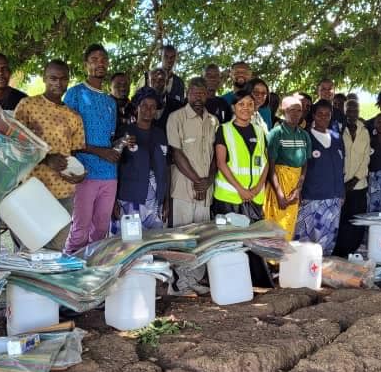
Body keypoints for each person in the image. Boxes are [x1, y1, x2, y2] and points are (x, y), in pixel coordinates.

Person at [13, 60, 86, 251]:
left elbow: (74, 152)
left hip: (64, 191)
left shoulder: (73, 116)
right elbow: (14, 144)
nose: (58, 83)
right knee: (30, 248)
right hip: (34, 188)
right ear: (44, 79)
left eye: (63, 79)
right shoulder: (28, 105)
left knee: (56, 249)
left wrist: (79, 174)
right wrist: (46, 158)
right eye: (53, 78)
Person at [64, 43, 124, 252]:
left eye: (104, 59)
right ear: (85, 65)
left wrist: (120, 145)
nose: (100, 63)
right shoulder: (75, 94)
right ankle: (72, 265)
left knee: (100, 229)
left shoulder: (110, 101)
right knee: (79, 230)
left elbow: (108, 139)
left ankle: (93, 268)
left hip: (109, 174)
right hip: (84, 172)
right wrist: (101, 152)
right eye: (94, 59)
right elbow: (67, 138)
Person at [213, 85, 272, 286]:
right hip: (230, 197)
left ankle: (257, 284)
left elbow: (265, 163)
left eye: (250, 104)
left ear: (254, 108)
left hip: (254, 197)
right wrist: (241, 190)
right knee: (232, 243)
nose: (246, 108)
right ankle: (233, 284)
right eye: (241, 104)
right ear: (233, 107)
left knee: (255, 242)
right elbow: (221, 163)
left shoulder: (260, 131)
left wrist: (257, 188)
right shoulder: (224, 130)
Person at [113, 91, 170, 230]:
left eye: (152, 106)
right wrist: (112, 200)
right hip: (129, 199)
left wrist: (166, 199)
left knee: (154, 240)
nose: (148, 109)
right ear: (137, 107)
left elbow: (165, 168)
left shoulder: (160, 134)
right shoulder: (125, 131)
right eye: (144, 105)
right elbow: (113, 165)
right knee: (129, 240)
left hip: (155, 202)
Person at [294, 100, 345, 254]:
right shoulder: (305, 136)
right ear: (313, 115)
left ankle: (322, 267)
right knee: (305, 240)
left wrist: (342, 192)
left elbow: (341, 167)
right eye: (320, 114)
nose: (323, 117)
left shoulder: (337, 137)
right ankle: (302, 267)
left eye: (327, 114)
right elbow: (298, 167)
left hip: (334, 199)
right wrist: (298, 190)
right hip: (311, 198)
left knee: (327, 240)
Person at [166, 77, 218, 226]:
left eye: (202, 94)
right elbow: (176, 154)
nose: (198, 98)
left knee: (203, 236)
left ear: (207, 95)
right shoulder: (176, 118)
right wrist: (198, 182)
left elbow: (216, 154)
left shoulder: (213, 121)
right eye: (194, 93)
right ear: (187, 94)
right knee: (181, 236)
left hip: (206, 191)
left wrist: (209, 180)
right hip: (183, 191)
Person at [264, 96, 310, 240]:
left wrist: (298, 190)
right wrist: (279, 194)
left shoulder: (304, 135)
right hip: (278, 185)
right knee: (275, 227)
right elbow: (270, 166)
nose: (296, 114)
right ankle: (273, 255)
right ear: (283, 111)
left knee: (288, 227)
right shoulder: (276, 133)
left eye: (299, 110)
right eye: (291, 110)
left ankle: (283, 254)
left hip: (294, 187)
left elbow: (305, 164)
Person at [334, 98, 370, 256]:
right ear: (344, 111)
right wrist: (343, 183)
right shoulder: (338, 130)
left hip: (359, 184)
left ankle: (353, 251)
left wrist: (354, 180)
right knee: (341, 220)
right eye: (349, 110)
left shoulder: (364, 131)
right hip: (340, 184)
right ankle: (339, 252)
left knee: (357, 220)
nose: (352, 113)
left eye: (355, 110)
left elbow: (366, 158)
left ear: (359, 111)